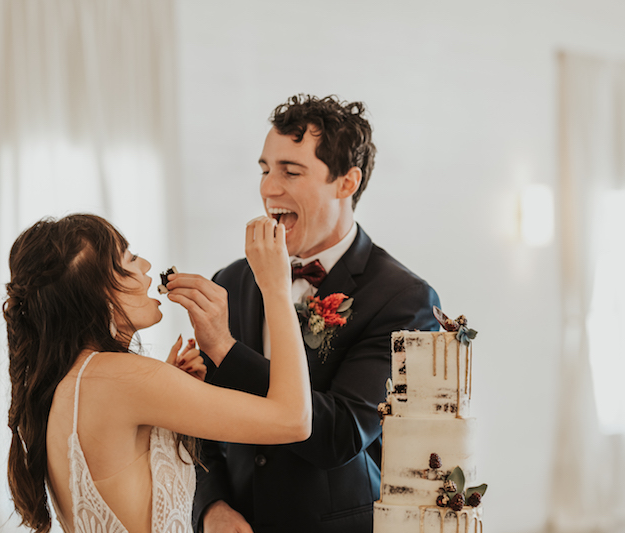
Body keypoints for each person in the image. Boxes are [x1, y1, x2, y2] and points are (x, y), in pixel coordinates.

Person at [166, 94, 441, 533]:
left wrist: (225, 348)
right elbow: (203, 414)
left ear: (346, 183)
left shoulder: (403, 299)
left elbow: (341, 436)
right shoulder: (232, 280)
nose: (268, 188)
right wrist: (211, 503)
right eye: (264, 169)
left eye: (290, 171)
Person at [4, 213, 311, 533]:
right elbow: (295, 420)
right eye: (130, 257)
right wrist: (275, 287)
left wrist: (165, 398)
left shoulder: (75, 381)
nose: (147, 266)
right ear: (100, 293)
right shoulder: (123, 378)